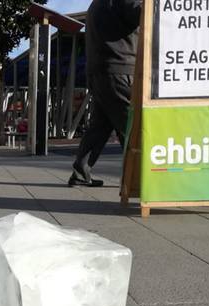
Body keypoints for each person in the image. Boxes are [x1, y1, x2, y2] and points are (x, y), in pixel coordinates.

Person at [68, 0, 141, 187]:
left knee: (100, 127)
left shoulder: (96, 3)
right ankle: (141, 177)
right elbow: (145, 14)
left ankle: (80, 171)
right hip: (120, 69)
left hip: (99, 71)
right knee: (133, 125)